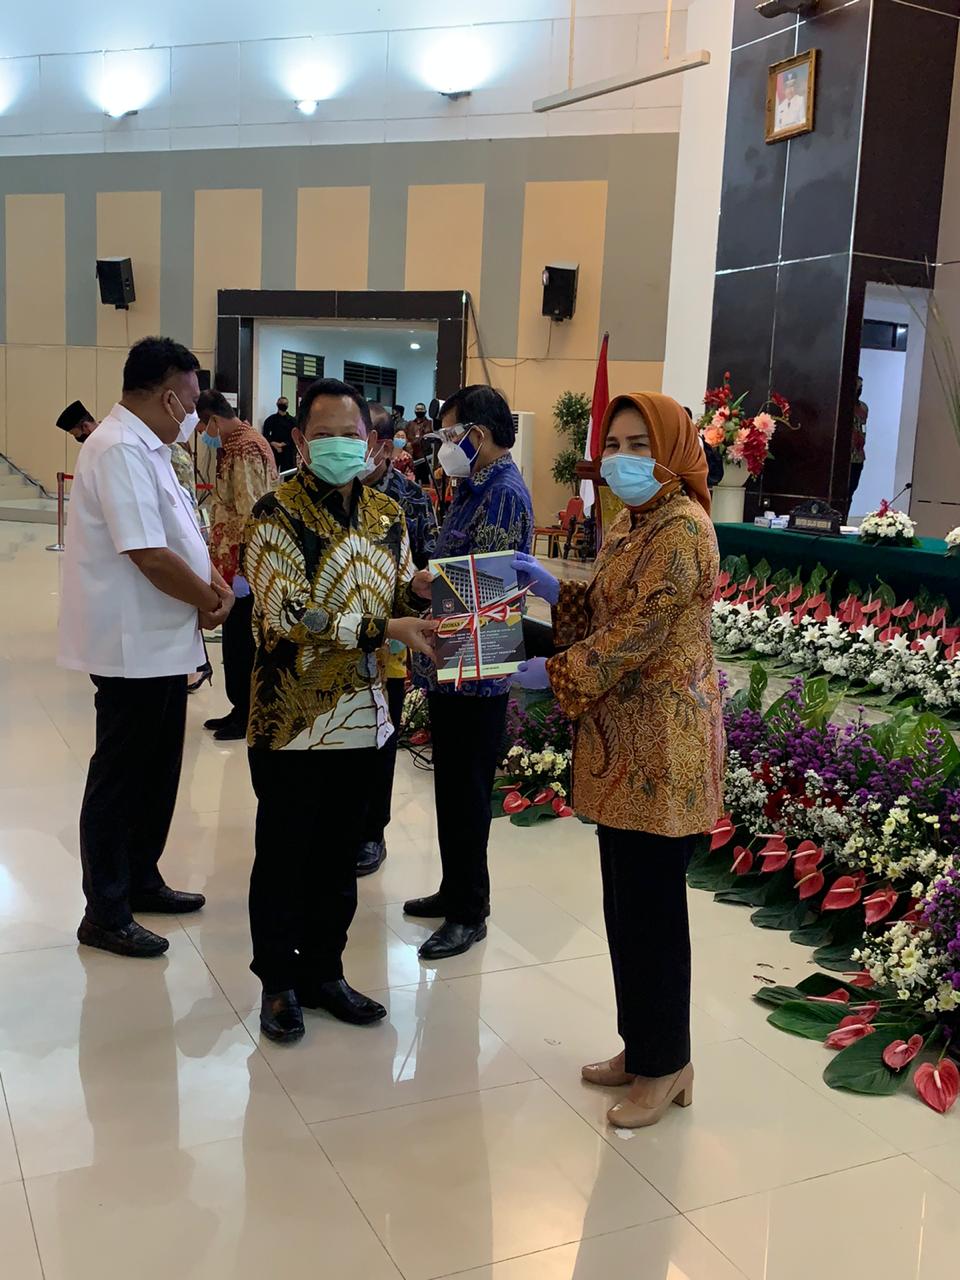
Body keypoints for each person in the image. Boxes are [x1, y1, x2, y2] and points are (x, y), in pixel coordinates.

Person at [513, 391, 724, 1128]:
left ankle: (667, 1066)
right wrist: (555, 591)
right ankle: (642, 1048)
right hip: (619, 743)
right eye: (615, 444)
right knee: (624, 904)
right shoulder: (634, 521)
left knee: (653, 912)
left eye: (641, 445)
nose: (624, 459)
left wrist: (552, 673)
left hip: (662, 748)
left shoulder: (683, 528)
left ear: (673, 452)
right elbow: (610, 608)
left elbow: (637, 633)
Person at [243, 378, 438, 1043]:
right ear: (299, 441)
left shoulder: (388, 514)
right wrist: (385, 628)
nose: (336, 446)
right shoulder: (275, 511)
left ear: (372, 441)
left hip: (365, 715)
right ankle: (277, 982)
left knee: (338, 858)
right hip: (291, 721)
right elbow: (285, 616)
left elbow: (397, 599)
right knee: (284, 855)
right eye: (322, 435)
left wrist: (420, 594)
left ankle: (325, 971)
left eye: (348, 435)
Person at [59, 336, 235, 959]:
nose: (194, 411)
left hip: (162, 640)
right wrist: (206, 599)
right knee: (121, 775)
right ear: (167, 396)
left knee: (157, 770)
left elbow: (179, 532)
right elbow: (149, 554)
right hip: (131, 644)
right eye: (191, 399)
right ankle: (105, 911)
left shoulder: (150, 447)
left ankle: (140, 878)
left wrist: (211, 582)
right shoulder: (118, 448)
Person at [405, 385, 533, 961]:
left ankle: (468, 912)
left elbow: (490, 587)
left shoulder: (502, 493)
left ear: (476, 435)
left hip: (477, 668)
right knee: (453, 788)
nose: (444, 446)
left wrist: (426, 583)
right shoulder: (474, 487)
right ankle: (454, 888)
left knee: (469, 793)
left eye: (450, 435)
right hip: (454, 661)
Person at [356, 403, 438, 876]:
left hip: (390, 643)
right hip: (334, 646)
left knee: (380, 738)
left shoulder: (407, 499)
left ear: (383, 446)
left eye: (357, 437)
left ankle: (372, 831)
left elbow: (425, 563)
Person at [196, 390, 278, 740]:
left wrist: (245, 569)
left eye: (204, 426)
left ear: (214, 419)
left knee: (243, 643)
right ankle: (239, 707)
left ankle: (247, 713)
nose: (204, 434)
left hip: (244, 569)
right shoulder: (237, 444)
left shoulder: (244, 448)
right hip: (232, 566)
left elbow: (251, 511)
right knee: (235, 641)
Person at [849, 375, 868, 514]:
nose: (859, 390)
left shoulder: (864, 408)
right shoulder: (842, 406)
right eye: (857, 387)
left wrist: (862, 438)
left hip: (858, 457)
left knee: (851, 491)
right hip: (845, 457)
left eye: (861, 387)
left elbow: (863, 426)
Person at [262, 396, 295, 473]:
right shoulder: (270, 419)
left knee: (287, 475)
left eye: (285, 403)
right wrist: (274, 444)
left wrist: (282, 444)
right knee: (272, 473)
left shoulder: (293, 421)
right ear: (277, 404)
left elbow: (294, 436)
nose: (283, 405)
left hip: (288, 451)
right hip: (273, 450)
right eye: (281, 403)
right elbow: (265, 434)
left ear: (288, 405)